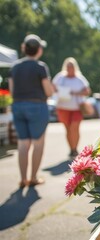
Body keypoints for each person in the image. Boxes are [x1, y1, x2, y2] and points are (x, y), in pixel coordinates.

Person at [9, 34, 54, 188]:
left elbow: (12, 91)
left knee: (22, 144)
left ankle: (23, 179)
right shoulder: (41, 67)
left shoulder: (14, 67)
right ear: (39, 50)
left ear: (24, 48)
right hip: (37, 107)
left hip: (18, 106)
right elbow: (48, 92)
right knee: (38, 143)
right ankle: (33, 177)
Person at [52, 57, 91, 157]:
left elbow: (87, 91)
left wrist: (76, 93)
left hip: (76, 108)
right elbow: (52, 87)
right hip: (63, 107)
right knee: (68, 129)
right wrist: (59, 91)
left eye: (72, 66)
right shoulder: (60, 77)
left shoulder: (79, 78)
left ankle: (75, 148)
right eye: (68, 66)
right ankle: (71, 148)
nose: (70, 68)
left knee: (75, 127)